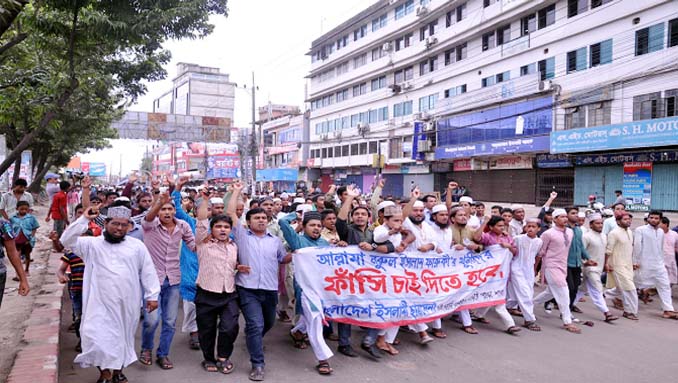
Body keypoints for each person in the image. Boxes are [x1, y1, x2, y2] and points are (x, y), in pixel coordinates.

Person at [60, 205, 160, 383]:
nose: (119, 228)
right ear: (106, 223)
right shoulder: (92, 244)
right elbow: (66, 240)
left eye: (124, 225)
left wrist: (152, 295)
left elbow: (148, 271)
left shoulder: (137, 246)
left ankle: (117, 372)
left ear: (129, 226)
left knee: (122, 338)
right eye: (115, 224)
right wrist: (84, 219)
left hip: (126, 303)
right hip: (98, 302)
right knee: (96, 337)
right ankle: (104, 373)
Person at [226, 181, 291, 381]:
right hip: (248, 288)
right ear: (249, 221)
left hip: (270, 289)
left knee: (268, 323)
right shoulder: (242, 236)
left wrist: (301, 253)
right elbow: (230, 214)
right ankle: (258, 364)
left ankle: (253, 339)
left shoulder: (275, 240)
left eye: (264, 218)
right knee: (255, 324)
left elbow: (283, 259)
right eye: (257, 218)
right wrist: (237, 191)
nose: (261, 220)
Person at [335, 186, 394, 359]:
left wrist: (373, 246)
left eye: (363, 214)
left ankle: (369, 340)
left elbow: (390, 247)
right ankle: (344, 344)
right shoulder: (348, 231)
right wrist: (349, 199)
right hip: (350, 278)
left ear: (369, 218)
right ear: (352, 217)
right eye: (356, 214)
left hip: (371, 279)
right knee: (347, 309)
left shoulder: (374, 233)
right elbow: (340, 221)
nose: (360, 216)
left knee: (376, 307)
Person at [140, 192, 196, 370]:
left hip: (173, 280)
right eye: (163, 209)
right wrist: (158, 202)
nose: (166, 212)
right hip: (151, 281)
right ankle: (146, 349)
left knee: (170, 321)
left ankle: (163, 354)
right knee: (151, 320)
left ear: (174, 211)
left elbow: (194, 246)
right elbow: (148, 217)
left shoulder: (183, 226)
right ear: (158, 212)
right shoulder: (150, 226)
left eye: (169, 208)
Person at [279, 209, 335, 375]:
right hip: (305, 290)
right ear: (303, 227)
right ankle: (323, 359)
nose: (316, 228)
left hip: (322, 290)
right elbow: (282, 223)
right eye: (312, 225)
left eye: (318, 225)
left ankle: (297, 332)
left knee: (308, 317)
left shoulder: (325, 243)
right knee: (316, 321)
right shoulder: (298, 241)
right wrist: (294, 215)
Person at [193, 196, 243, 374]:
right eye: (218, 226)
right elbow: (200, 221)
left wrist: (239, 267)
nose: (222, 230)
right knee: (207, 330)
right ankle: (208, 358)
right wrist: (205, 200)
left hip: (228, 293)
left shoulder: (234, 246)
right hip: (206, 293)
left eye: (226, 227)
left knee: (230, 327)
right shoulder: (203, 244)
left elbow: (231, 265)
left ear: (230, 230)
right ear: (212, 229)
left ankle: (223, 356)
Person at [402, 189, 444, 343]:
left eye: (421, 211)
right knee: (411, 300)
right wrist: (413, 199)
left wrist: (430, 246)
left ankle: (387, 339)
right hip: (407, 269)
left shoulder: (426, 226)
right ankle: (423, 333)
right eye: (415, 211)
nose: (418, 213)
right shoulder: (406, 222)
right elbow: (403, 214)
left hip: (425, 271)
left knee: (420, 300)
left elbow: (435, 241)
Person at [533, 209, 581, 333]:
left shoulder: (570, 232)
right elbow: (540, 253)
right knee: (564, 291)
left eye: (566, 216)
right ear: (554, 219)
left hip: (563, 266)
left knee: (550, 292)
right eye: (561, 217)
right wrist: (535, 269)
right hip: (551, 265)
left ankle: (528, 305)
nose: (565, 219)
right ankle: (567, 321)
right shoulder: (548, 234)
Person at [472, 216, 521, 335]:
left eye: (502, 225)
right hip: (489, 273)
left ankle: (478, 314)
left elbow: (515, 253)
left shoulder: (507, 238)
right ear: (492, 227)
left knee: (494, 295)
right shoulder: (488, 237)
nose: (502, 227)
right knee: (496, 297)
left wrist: (508, 247)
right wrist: (484, 223)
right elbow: (476, 238)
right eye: (498, 225)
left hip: (502, 273)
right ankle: (510, 324)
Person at [373, 206, 410, 354]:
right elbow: (377, 239)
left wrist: (402, 244)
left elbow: (407, 237)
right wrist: (391, 232)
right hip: (382, 276)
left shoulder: (399, 231)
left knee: (400, 307)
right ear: (386, 219)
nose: (398, 223)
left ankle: (387, 339)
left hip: (397, 273)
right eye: (395, 220)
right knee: (388, 307)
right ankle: (380, 338)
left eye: (400, 220)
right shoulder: (381, 230)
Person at [632, 211, 678, 319]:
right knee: (634, 283)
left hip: (658, 264)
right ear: (648, 219)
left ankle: (668, 310)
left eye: (656, 218)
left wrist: (662, 261)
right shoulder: (640, 230)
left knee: (665, 285)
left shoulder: (661, 232)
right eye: (651, 217)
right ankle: (613, 295)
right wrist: (635, 262)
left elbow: (661, 248)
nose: (653, 220)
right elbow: (637, 247)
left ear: (660, 220)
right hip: (644, 263)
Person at [579, 214, 619, 323]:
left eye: (601, 223)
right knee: (597, 290)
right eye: (597, 223)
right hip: (590, 269)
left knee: (582, 290)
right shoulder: (586, 237)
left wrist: (606, 264)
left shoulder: (603, 236)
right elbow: (580, 252)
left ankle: (568, 306)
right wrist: (585, 262)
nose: (600, 225)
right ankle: (607, 313)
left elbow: (604, 253)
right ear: (591, 225)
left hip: (599, 268)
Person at [448, 207, 481, 334]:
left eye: (465, 215)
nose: (463, 217)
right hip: (447, 269)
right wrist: (452, 247)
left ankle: (466, 323)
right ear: (452, 218)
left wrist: (476, 247)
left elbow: (482, 245)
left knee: (462, 294)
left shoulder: (471, 231)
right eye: (460, 215)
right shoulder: (447, 231)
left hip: (465, 270)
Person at [507, 219, 543, 330]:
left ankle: (503, 308)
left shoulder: (539, 241)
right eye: (528, 226)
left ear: (539, 228)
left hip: (529, 270)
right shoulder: (518, 239)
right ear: (525, 227)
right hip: (517, 268)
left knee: (521, 294)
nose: (531, 229)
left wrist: (535, 269)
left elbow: (537, 256)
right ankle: (529, 319)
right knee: (524, 293)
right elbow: (510, 252)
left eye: (533, 226)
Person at [604, 212, 639, 320]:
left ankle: (604, 295)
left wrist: (633, 263)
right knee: (630, 289)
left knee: (621, 287)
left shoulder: (629, 231)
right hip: (617, 265)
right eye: (625, 219)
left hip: (627, 265)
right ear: (618, 221)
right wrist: (606, 264)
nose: (628, 221)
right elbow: (608, 251)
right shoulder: (613, 233)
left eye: (629, 219)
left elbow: (629, 249)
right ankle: (629, 311)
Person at [564, 207, 591, 316]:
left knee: (575, 287)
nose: (576, 215)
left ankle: (568, 310)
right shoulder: (564, 230)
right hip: (565, 263)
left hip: (576, 263)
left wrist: (588, 258)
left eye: (576, 213)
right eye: (573, 213)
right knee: (569, 288)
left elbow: (581, 247)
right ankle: (565, 311)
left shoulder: (578, 230)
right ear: (566, 215)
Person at [10, 201, 39, 279]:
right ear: (17, 209)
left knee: (27, 255)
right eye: (21, 209)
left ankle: (26, 270)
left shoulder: (31, 218)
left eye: (26, 209)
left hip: (27, 240)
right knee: (17, 256)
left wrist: (31, 237)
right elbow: (10, 228)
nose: (24, 211)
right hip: (17, 240)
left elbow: (34, 228)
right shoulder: (12, 218)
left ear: (28, 209)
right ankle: (18, 273)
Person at [659, 217, 678, 285]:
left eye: (660, 223)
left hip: (671, 259)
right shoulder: (656, 234)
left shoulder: (674, 234)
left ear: (666, 224)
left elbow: (676, 246)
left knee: (672, 278)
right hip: (659, 260)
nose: (658, 225)